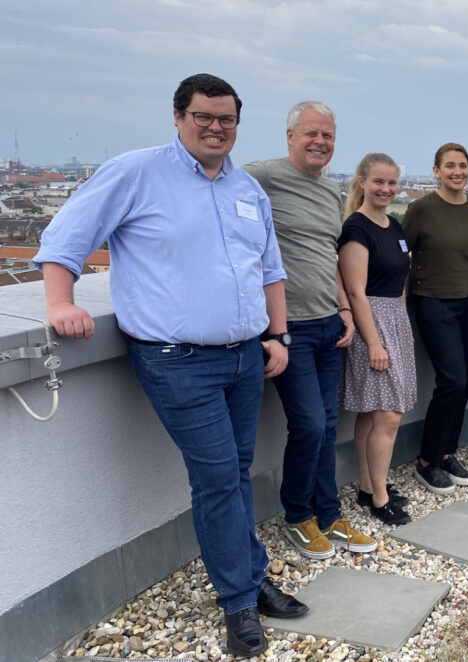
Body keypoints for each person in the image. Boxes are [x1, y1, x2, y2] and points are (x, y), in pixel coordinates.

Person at [33, 74, 307, 658]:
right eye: (203, 117)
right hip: (176, 360)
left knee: (235, 472)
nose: (216, 127)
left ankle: (252, 577)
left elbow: (269, 269)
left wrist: (278, 334)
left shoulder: (246, 188)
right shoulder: (137, 172)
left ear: (238, 124)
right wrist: (60, 303)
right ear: (178, 117)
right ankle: (238, 600)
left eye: (226, 119)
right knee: (215, 478)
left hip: (245, 357)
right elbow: (66, 237)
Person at [242, 101, 378, 561]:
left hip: (327, 326)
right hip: (288, 328)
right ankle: (297, 516)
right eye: (311, 134)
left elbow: (329, 256)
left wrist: (343, 309)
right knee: (308, 426)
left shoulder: (330, 192)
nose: (320, 142)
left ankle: (328, 512)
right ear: (290, 135)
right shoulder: (262, 176)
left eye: (328, 136)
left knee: (325, 426)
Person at [401, 142, 468, 494]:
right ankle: (427, 460)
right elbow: (402, 257)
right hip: (435, 304)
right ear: (436, 171)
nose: (458, 171)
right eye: (450, 166)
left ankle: (447, 453)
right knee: (452, 380)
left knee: (465, 381)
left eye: (463, 165)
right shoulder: (420, 209)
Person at [338, 153, 417, 525]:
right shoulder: (357, 227)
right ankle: (380, 497)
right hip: (371, 323)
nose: (385, 189)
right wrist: (373, 342)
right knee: (388, 413)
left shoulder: (393, 225)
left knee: (374, 412)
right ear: (362, 183)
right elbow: (355, 292)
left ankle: (369, 486)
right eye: (378, 182)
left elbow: (399, 281)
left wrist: (399, 329)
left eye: (391, 183)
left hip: (394, 320)